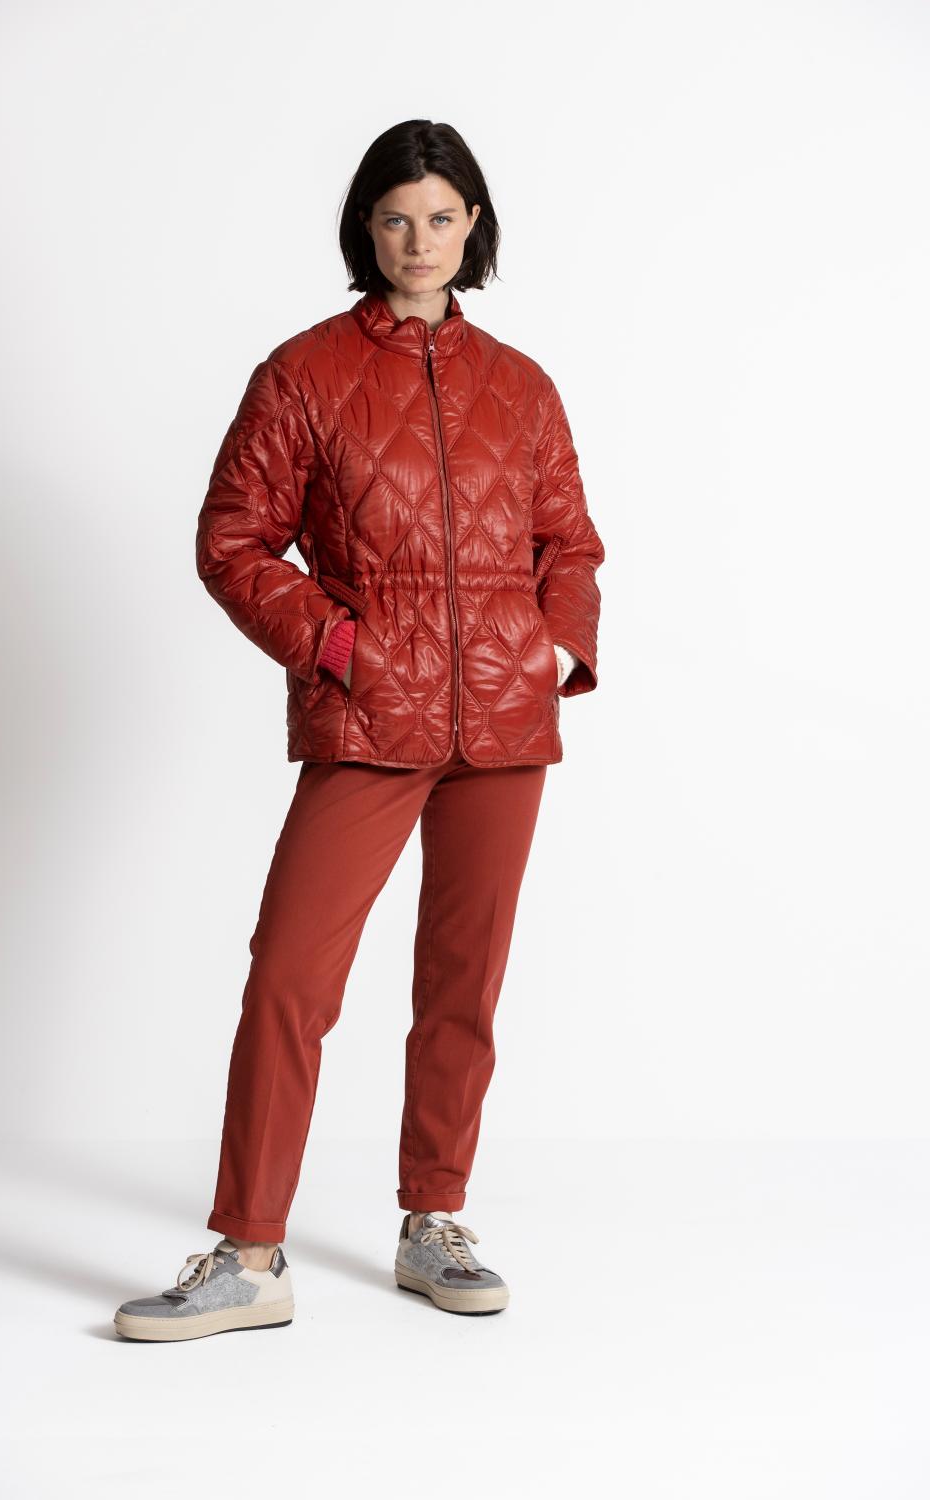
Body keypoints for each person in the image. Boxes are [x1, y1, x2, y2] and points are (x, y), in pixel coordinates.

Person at [114, 118, 606, 1341]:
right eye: (396, 218)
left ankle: (434, 1219)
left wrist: (551, 649)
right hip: (368, 715)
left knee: (462, 984)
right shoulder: (305, 373)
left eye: (440, 217)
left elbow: (570, 544)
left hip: (504, 727)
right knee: (290, 973)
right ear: (365, 228)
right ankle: (249, 1253)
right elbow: (232, 541)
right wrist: (338, 648)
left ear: (473, 225)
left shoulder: (521, 385)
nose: (419, 241)